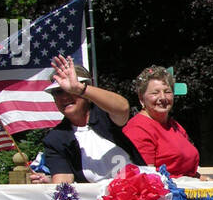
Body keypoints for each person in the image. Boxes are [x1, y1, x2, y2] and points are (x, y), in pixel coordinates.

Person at [34, 56, 143, 184]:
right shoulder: (56, 139)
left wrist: (80, 89)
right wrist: (49, 183)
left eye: (70, 90)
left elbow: (123, 108)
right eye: (58, 92)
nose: (64, 97)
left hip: (139, 190)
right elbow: (63, 182)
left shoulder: (106, 114)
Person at [121, 65, 200, 177]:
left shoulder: (174, 126)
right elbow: (146, 177)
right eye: (155, 93)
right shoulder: (138, 129)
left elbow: (184, 169)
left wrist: (200, 178)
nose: (163, 97)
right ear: (141, 98)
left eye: (167, 92)